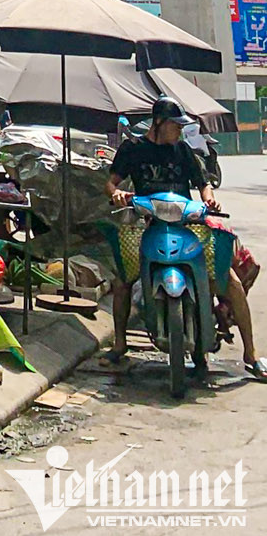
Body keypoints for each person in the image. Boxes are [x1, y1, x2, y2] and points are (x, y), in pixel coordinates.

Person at [105, 97, 266, 377]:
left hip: (188, 225)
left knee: (231, 281)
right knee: (121, 282)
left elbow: (203, 183)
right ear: (158, 122)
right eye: (175, 125)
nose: (179, 130)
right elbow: (110, 182)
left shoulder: (182, 150)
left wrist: (208, 199)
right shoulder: (133, 149)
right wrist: (116, 193)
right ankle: (120, 343)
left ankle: (251, 354)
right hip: (148, 225)